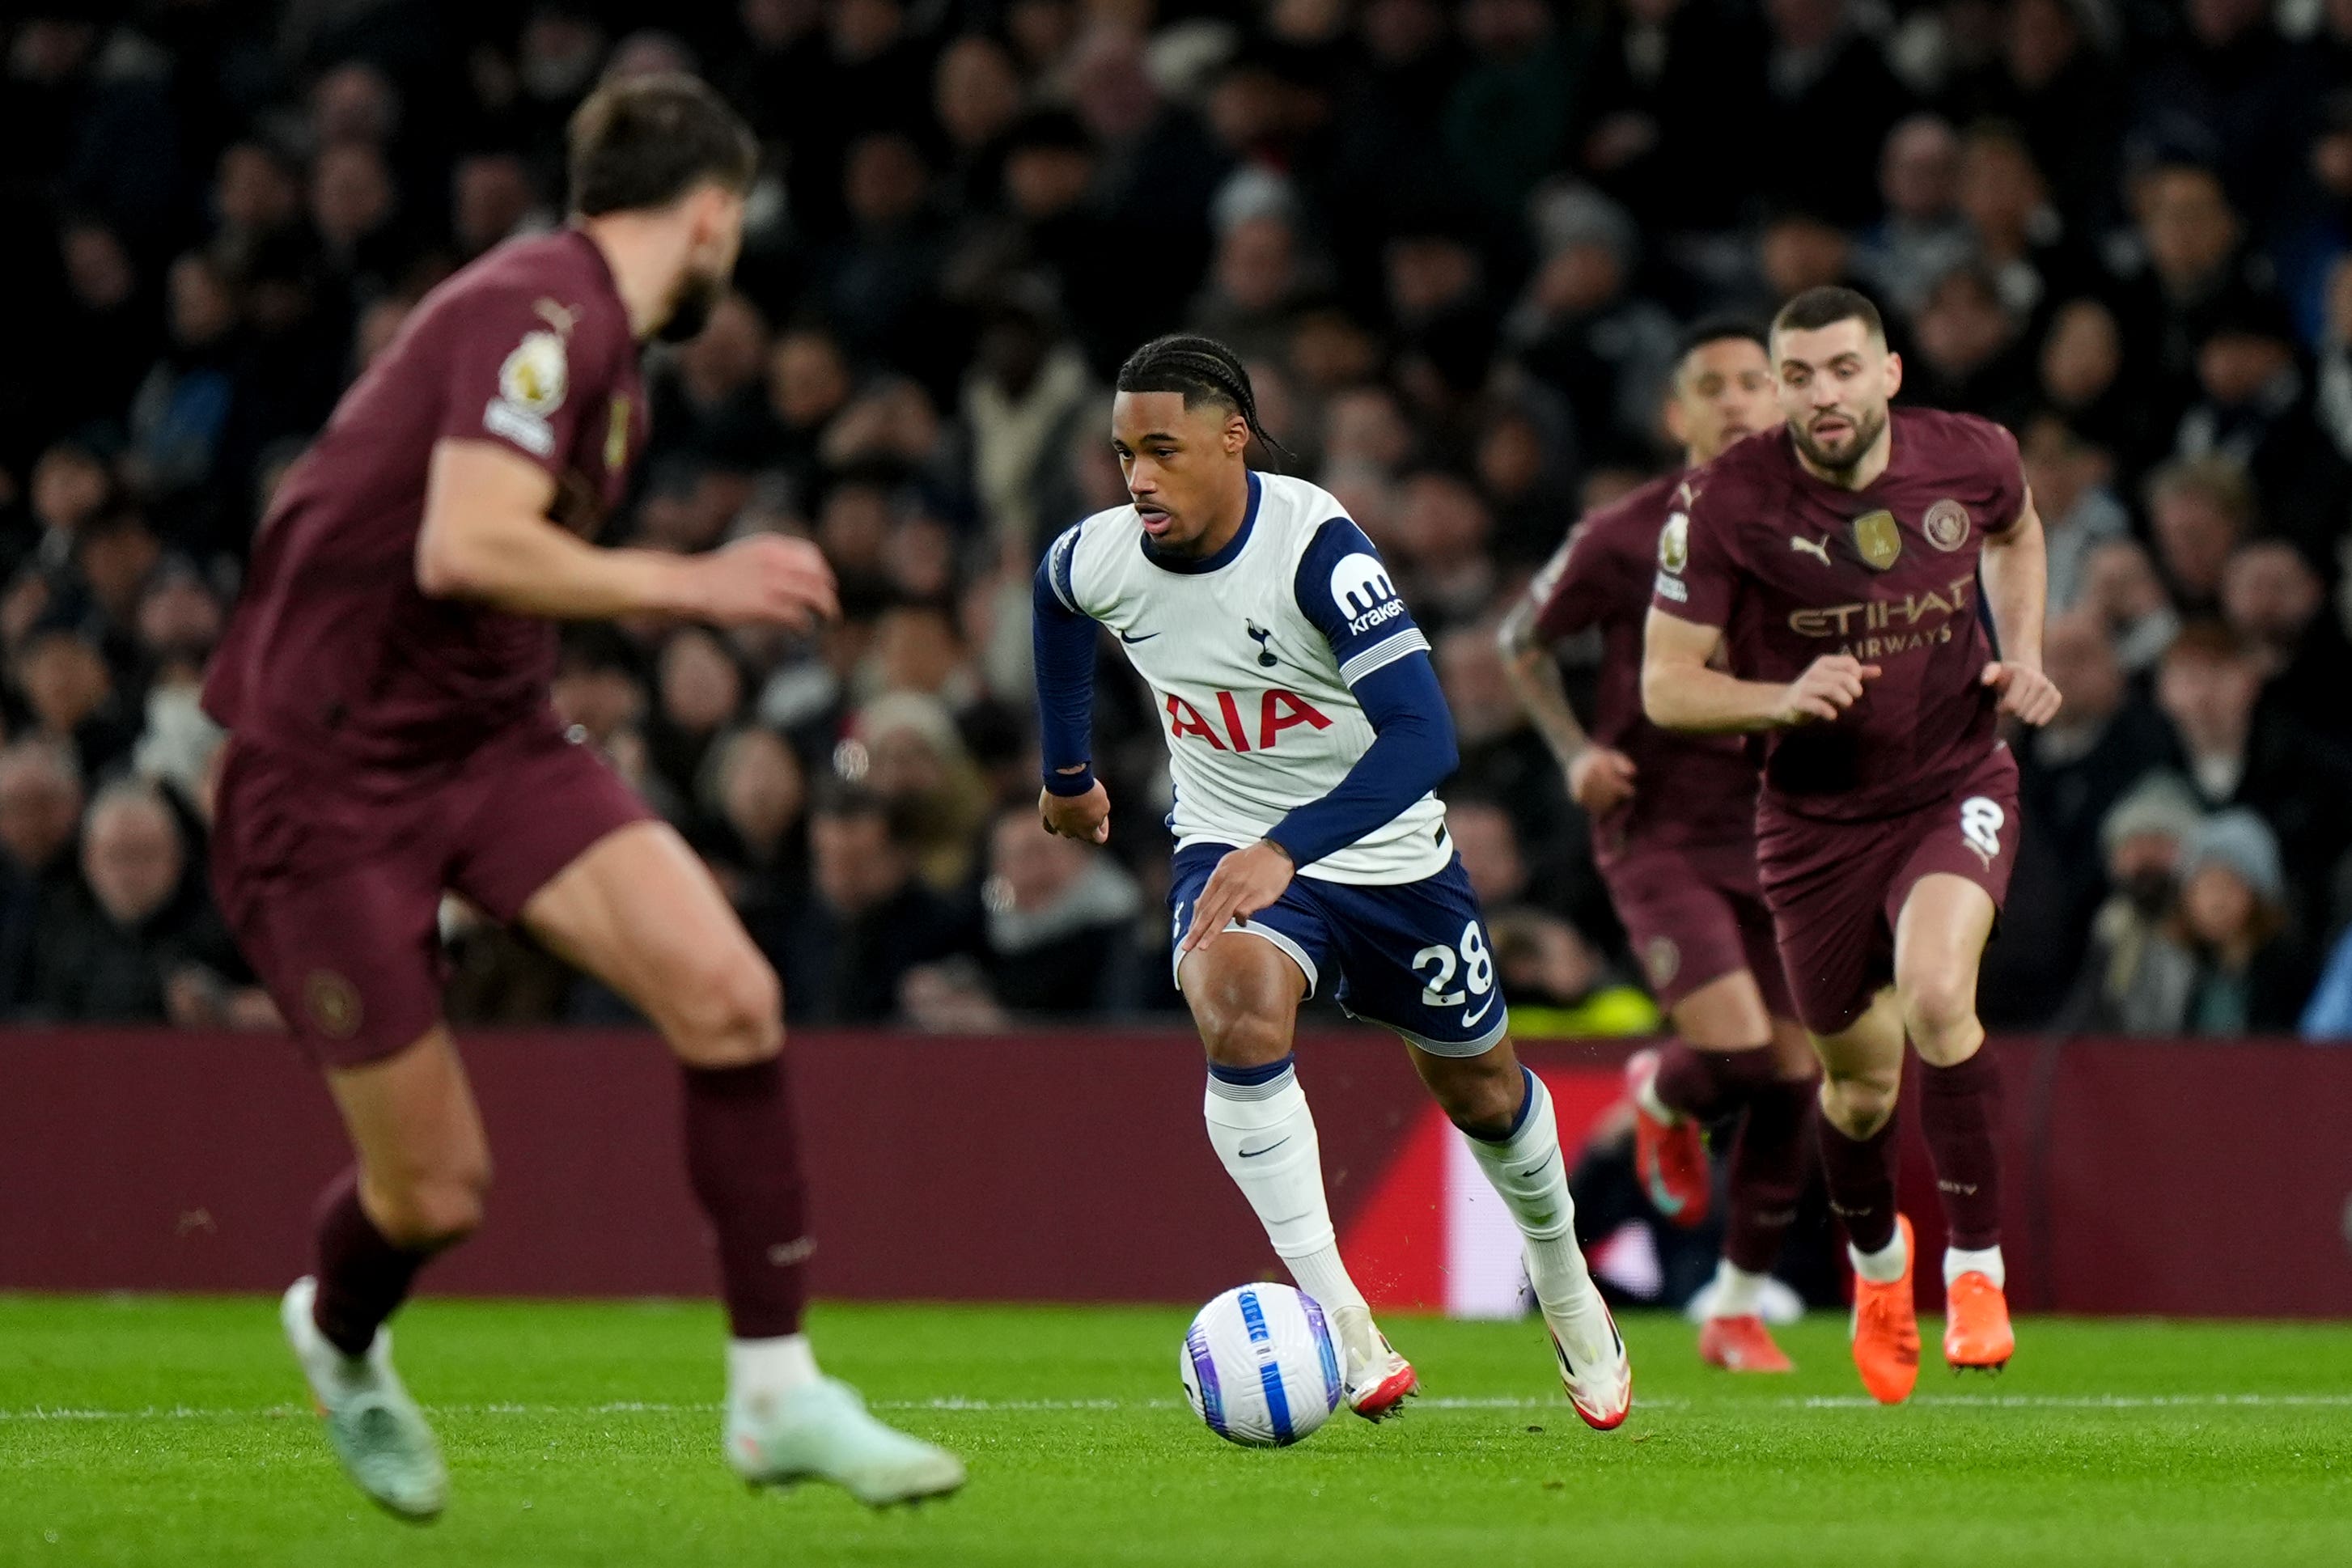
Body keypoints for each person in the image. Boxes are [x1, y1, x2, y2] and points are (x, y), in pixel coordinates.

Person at [199, 76, 961, 1519]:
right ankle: (338, 1332)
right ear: (713, 213)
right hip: (326, 775)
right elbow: (466, 541)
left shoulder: (593, 341)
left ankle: (778, 1392)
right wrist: (693, 583)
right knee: (435, 1197)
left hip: (489, 742)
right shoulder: (544, 315)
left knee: (730, 995)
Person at [1032, 334, 1632, 1430]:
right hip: (1230, 841)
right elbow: (1057, 598)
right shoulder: (1103, 553)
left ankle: (1563, 1276)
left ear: (1233, 439)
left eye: (1161, 450)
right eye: (1124, 453)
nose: (1138, 478)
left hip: (1388, 853)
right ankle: (1343, 1315)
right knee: (1235, 1006)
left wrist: (1293, 844)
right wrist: (1068, 772)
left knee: (1487, 1095)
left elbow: (1423, 734)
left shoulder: (1317, 549)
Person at [1642, 286, 2062, 1405]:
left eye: (1841, 368)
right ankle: (1883, 1272)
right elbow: (1666, 687)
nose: (1822, 393)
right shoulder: (1726, 501)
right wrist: (1780, 699)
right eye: (1799, 374)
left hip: (1954, 780)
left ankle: (1978, 1269)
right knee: (1861, 1092)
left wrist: (2022, 648)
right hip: (1816, 824)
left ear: (1888, 373)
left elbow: (2020, 528)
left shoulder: (1972, 457)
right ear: (1779, 388)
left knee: (1937, 992)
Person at [1498, 316, 1817, 1375]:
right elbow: (1519, 642)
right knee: (1731, 1049)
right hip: (1660, 828)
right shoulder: (1626, 533)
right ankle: (1655, 1096)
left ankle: (1729, 1301)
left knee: (1797, 1070)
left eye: (1754, 383)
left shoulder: (1818, 534)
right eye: (1712, 386)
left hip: (1776, 829)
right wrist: (1572, 750)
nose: (1736, 401)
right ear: (1677, 413)